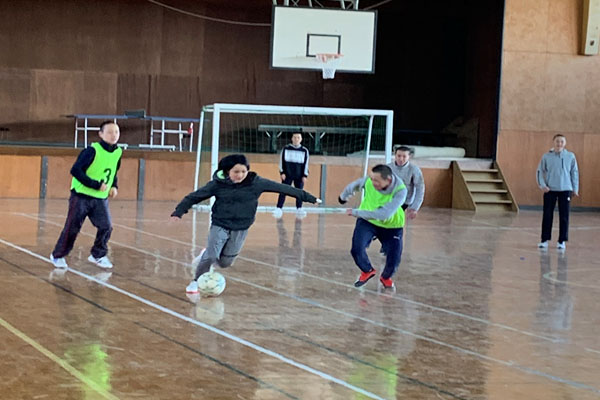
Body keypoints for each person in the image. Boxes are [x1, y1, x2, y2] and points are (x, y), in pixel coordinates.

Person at [170, 154, 320, 294]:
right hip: (220, 224)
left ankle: (205, 255)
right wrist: (179, 212)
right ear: (227, 171)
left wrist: (308, 197)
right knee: (211, 255)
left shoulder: (256, 183)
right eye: (236, 172)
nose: (240, 175)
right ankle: (196, 281)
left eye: (243, 171)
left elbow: (284, 188)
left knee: (225, 263)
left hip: (241, 228)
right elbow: (194, 197)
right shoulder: (217, 184)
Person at [49, 121, 122, 269]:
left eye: (116, 132)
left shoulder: (118, 152)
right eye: (109, 132)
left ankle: (98, 255)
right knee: (72, 227)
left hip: (100, 198)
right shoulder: (92, 151)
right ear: (101, 134)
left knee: (106, 226)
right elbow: (75, 170)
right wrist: (95, 184)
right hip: (81, 195)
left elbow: (113, 171)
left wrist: (114, 186)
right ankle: (58, 255)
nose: (113, 135)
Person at [339, 164, 407, 289]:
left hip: (391, 225)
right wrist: (343, 197)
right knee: (357, 249)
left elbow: (383, 215)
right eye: (372, 179)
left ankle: (386, 277)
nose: (373, 182)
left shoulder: (400, 191)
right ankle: (367, 270)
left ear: (388, 180)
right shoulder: (370, 180)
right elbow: (353, 186)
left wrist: (356, 212)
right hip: (367, 221)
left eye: (377, 181)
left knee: (394, 258)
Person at [536, 134, 579, 250]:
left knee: (564, 216)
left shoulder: (570, 156)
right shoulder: (546, 156)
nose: (559, 144)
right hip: (550, 190)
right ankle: (544, 240)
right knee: (547, 215)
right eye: (557, 141)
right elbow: (540, 171)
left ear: (565, 143)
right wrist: (543, 185)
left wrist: (575, 189)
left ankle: (561, 241)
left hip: (565, 190)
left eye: (561, 142)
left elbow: (574, 173)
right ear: (553, 142)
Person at [273, 132, 310, 218]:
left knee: (299, 192)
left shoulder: (304, 150)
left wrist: (305, 175)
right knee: (283, 191)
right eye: (295, 137)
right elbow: (281, 161)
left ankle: (299, 208)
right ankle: (279, 208)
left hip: (299, 176)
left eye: (298, 137)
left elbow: (306, 164)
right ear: (292, 138)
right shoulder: (285, 148)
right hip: (287, 175)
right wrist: (282, 172)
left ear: (301, 139)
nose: (296, 139)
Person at [388, 145, 425, 219]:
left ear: (409, 157)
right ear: (395, 155)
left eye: (404, 156)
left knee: (396, 221)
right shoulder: (388, 168)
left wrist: (414, 207)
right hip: (389, 200)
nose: (401, 159)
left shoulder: (414, 169)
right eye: (399, 156)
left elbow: (420, 189)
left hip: (405, 202)